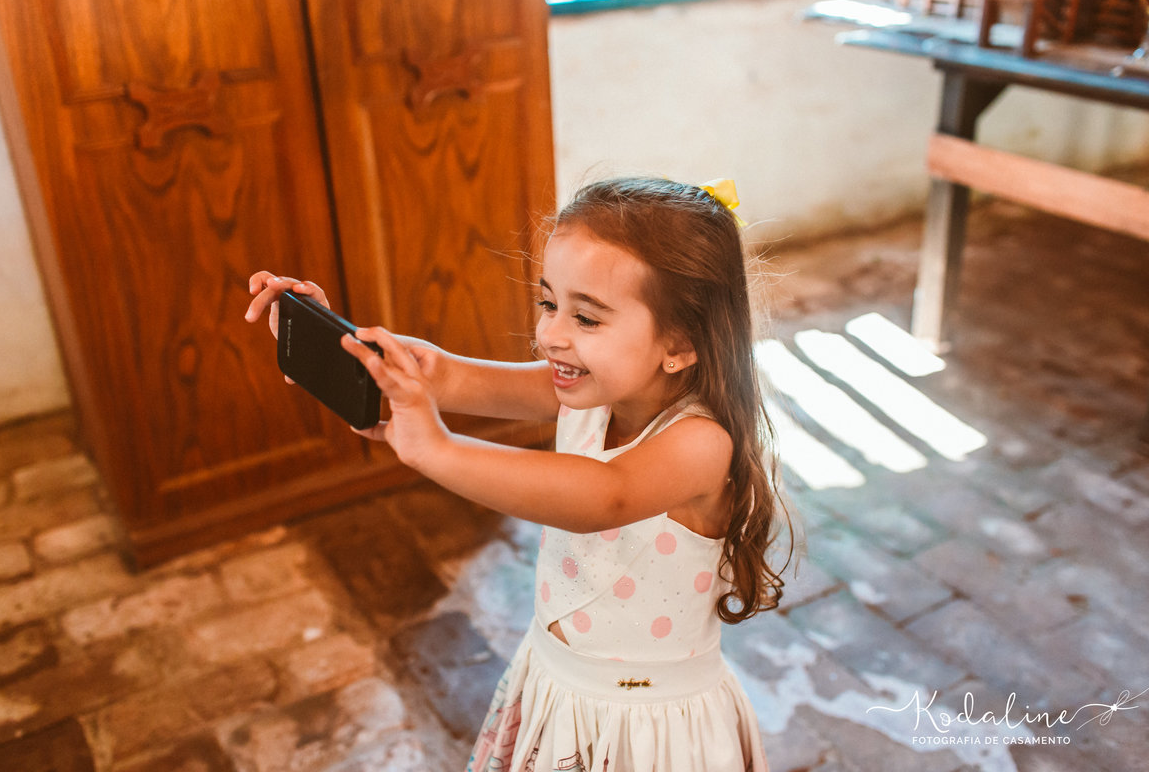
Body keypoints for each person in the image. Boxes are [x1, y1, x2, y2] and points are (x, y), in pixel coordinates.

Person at [245, 177, 793, 772]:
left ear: (680, 343)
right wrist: (347, 344)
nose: (551, 335)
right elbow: (448, 375)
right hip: (556, 683)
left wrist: (437, 450)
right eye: (549, 302)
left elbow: (604, 497)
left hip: (645, 728)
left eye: (587, 318)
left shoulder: (700, 443)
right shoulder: (586, 393)